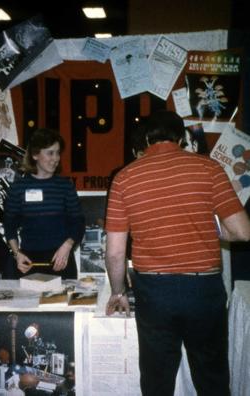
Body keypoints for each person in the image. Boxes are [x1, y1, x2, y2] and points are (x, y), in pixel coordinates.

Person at [105, 110, 250, 396]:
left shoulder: (125, 178)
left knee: (157, 381)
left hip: (154, 292)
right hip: (203, 290)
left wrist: (118, 292)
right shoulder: (208, 169)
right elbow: (243, 231)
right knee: (212, 379)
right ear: (181, 137)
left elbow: (115, 254)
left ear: (146, 139)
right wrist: (209, 229)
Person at [3, 128, 85, 279]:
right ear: (35, 155)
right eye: (50, 152)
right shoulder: (18, 187)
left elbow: (78, 222)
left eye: (58, 152)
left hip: (61, 260)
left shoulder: (65, 186)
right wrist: (17, 254)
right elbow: (9, 225)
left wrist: (67, 246)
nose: (56, 158)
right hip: (28, 263)